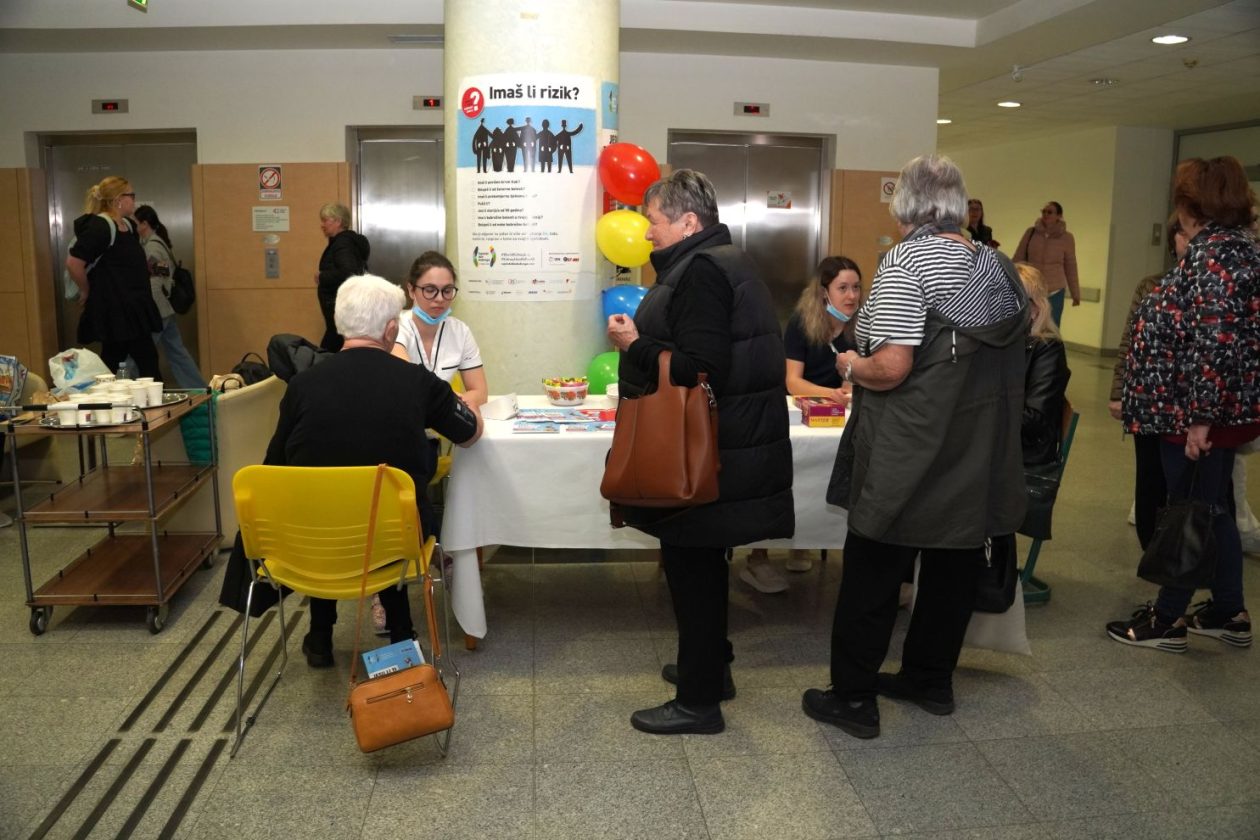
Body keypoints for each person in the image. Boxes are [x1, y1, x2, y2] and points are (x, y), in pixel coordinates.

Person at [803, 154, 1028, 740]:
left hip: (910, 445)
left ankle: (852, 698)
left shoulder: (906, 264)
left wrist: (852, 362)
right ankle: (930, 679)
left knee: (874, 570)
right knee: (952, 567)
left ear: (906, 205)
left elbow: (894, 366)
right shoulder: (998, 269)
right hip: (974, 445)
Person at [606, 168, 793, 735]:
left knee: (693, 569)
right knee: (704, 564)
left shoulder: (703, 273)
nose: (647, 236)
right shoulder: (722, 262)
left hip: (706, 449)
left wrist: (635, 346)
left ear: (689, 222)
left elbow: (700, 367)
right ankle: (711, 669)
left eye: (655, 223)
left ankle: (698, 702)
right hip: (726, 443)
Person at [264, 274, 483, 668]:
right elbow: (467, 433)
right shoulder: (416, 382)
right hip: (394, 537)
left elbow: (275, 464)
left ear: (338, 324)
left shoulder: (302, 385)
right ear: (390, 329)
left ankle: (319, 635)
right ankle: (402, 636)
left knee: (332, 503)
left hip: (311, 538)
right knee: (386, 509)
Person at [1109, 156, 1258, 652]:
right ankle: (1226, 610)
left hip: (1194, 413)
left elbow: (1215, 342)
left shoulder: (1215, 253)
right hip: (1205, 409)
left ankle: (1168, 618)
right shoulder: (1233, 249)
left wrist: (1200, 419)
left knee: (1189, 509)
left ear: (1194, 203)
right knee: (1212, 508)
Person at [743, 256, 862, 593]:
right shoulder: (802, 323)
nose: (851, 296)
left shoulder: (864, 324)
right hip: (801, 414)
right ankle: (758, 557)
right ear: (824, 292)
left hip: (846, 416)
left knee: (830, 477)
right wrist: (834, 393)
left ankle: (803, 543)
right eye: (843, 288)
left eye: (856, 287)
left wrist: (853, 388)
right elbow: (792, 382)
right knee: (788, 476)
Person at [987, 263, 1071, 570]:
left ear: (1035, 308)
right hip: (999, 444)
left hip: (1024, 455)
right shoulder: (1000, 343)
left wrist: (980, 411)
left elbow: (1034, 418)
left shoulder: (1047, 349)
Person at [1109, 216, 1185, 550]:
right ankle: (1151, 547)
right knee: (1150, 478)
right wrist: (1117, 392)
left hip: (1186, 404)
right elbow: (1128, 341)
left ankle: (1188, 549)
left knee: (1187, 482)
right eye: (1181, 232)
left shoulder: (1214, 286)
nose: (1187, 239)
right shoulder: (1150, 285)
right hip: (1147, 401)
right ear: (1172, 241)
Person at [65, 176, 162, 379]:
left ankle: (107, 402)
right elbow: (74, 263)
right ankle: (149, 403)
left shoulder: (128, 225)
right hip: (116, 309)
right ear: (118, 199)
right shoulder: (100, 227)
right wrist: (85, 290)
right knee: (146, 362)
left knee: (115, 359)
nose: (134, 200)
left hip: (133, 307)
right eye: (131, 195)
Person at [390, 251, 488, 408]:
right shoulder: (395, 326)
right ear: (411, 290)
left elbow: (480, 392)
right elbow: (408, 383)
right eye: (430, 290)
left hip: (443, 421)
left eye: (447, 290)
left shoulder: (460, 332)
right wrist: (447, 402)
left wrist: (446, 404)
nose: (440, 298)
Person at [133, 205, 207, 389]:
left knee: (138, 354)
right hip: (165, 308)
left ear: (144, 224)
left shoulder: (152, 247)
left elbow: (157, 280)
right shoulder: (158, 242)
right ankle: (198, 390)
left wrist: (145, 307)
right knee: (178, 353)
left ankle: (125, 389)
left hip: (157, 310)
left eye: (135, 223)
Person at [313, 203, 369, 353]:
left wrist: (323, 276)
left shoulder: (342, 243)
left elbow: (348, 271)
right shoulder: (346, 242)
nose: (322, 225)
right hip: (342, 307)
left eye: (326, 220)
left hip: (339, 306)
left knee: (330, 346)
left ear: (338, 221)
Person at [1014, 201, 1079, 327]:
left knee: (1052, 326)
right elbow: (1018, 257)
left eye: (1050, 212)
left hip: (1055, 290)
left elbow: (1071, 265)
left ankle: (1051, 347)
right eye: (1043, 211)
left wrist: (1075, 293)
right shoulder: (1031, 233)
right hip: (1033, 288)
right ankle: (1030, 347)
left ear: (1059, 216)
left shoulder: (1067, 238)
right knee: (1030, 324)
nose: (1046, 215)